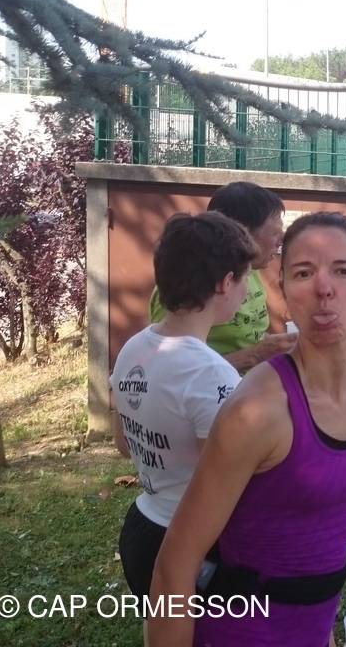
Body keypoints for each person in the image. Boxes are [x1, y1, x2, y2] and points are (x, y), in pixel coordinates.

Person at [149, 212, 346, 647]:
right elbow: (174, 567)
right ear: (283, 291)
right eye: (304, 273)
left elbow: (322, 523)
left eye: (343, 270)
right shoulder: (256, 412)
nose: (324, 288)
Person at [111, 212, 257, 609]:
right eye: (245, 279)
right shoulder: (211, 374)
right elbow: (231, 483)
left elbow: (124, 444)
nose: (246, 291)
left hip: (142, 529)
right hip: (195, 548)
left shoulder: (133, 349)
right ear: (225, 282)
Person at [148, 181, 297, 373]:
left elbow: (248, 338)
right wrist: (252, 355)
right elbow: (167, 367)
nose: (281, 241)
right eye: (275, 232)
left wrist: (274, 346)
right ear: (241, 232)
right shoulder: (188, 284)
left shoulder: (251, 270)